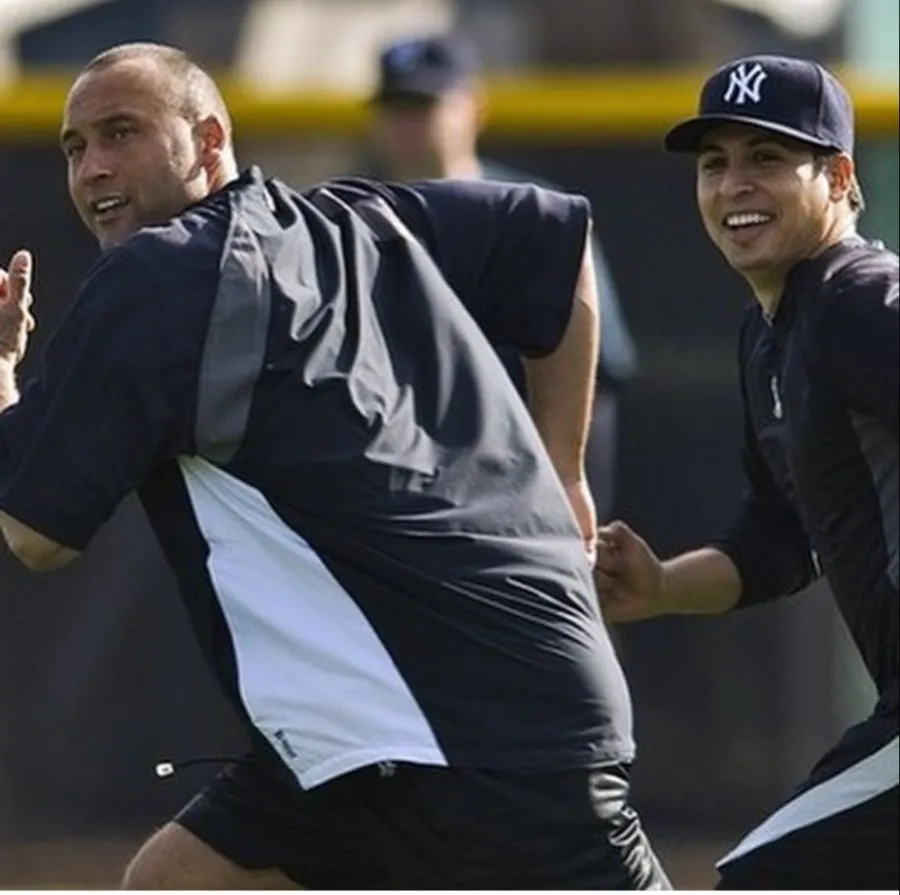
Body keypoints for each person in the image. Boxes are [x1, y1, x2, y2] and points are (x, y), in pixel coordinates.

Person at [0, 42, 670, 889]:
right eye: (73, 146)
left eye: (121, 133)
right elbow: (560, 239)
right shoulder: (356, 219)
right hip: (393, 729)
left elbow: (32, 535)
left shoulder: (156, 276)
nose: (93, 166)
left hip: (464, 734)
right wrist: (563, 469)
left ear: (209, 143)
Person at [595, 54, 898, 890]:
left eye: (767, 158)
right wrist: (658, 587)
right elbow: (780, 540)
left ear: (839, 176)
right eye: (715, 163)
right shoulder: (770, 335)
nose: (735, 184)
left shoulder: (856, 302)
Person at [367, 34, 639, 522]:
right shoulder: (352, 224)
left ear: (474, 107)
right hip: (398, 498)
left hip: (521, 486)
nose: (407, 125)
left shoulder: (535, 215)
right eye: (395, 108)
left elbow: (602, 373)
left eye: (424, 105)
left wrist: (573, 496)